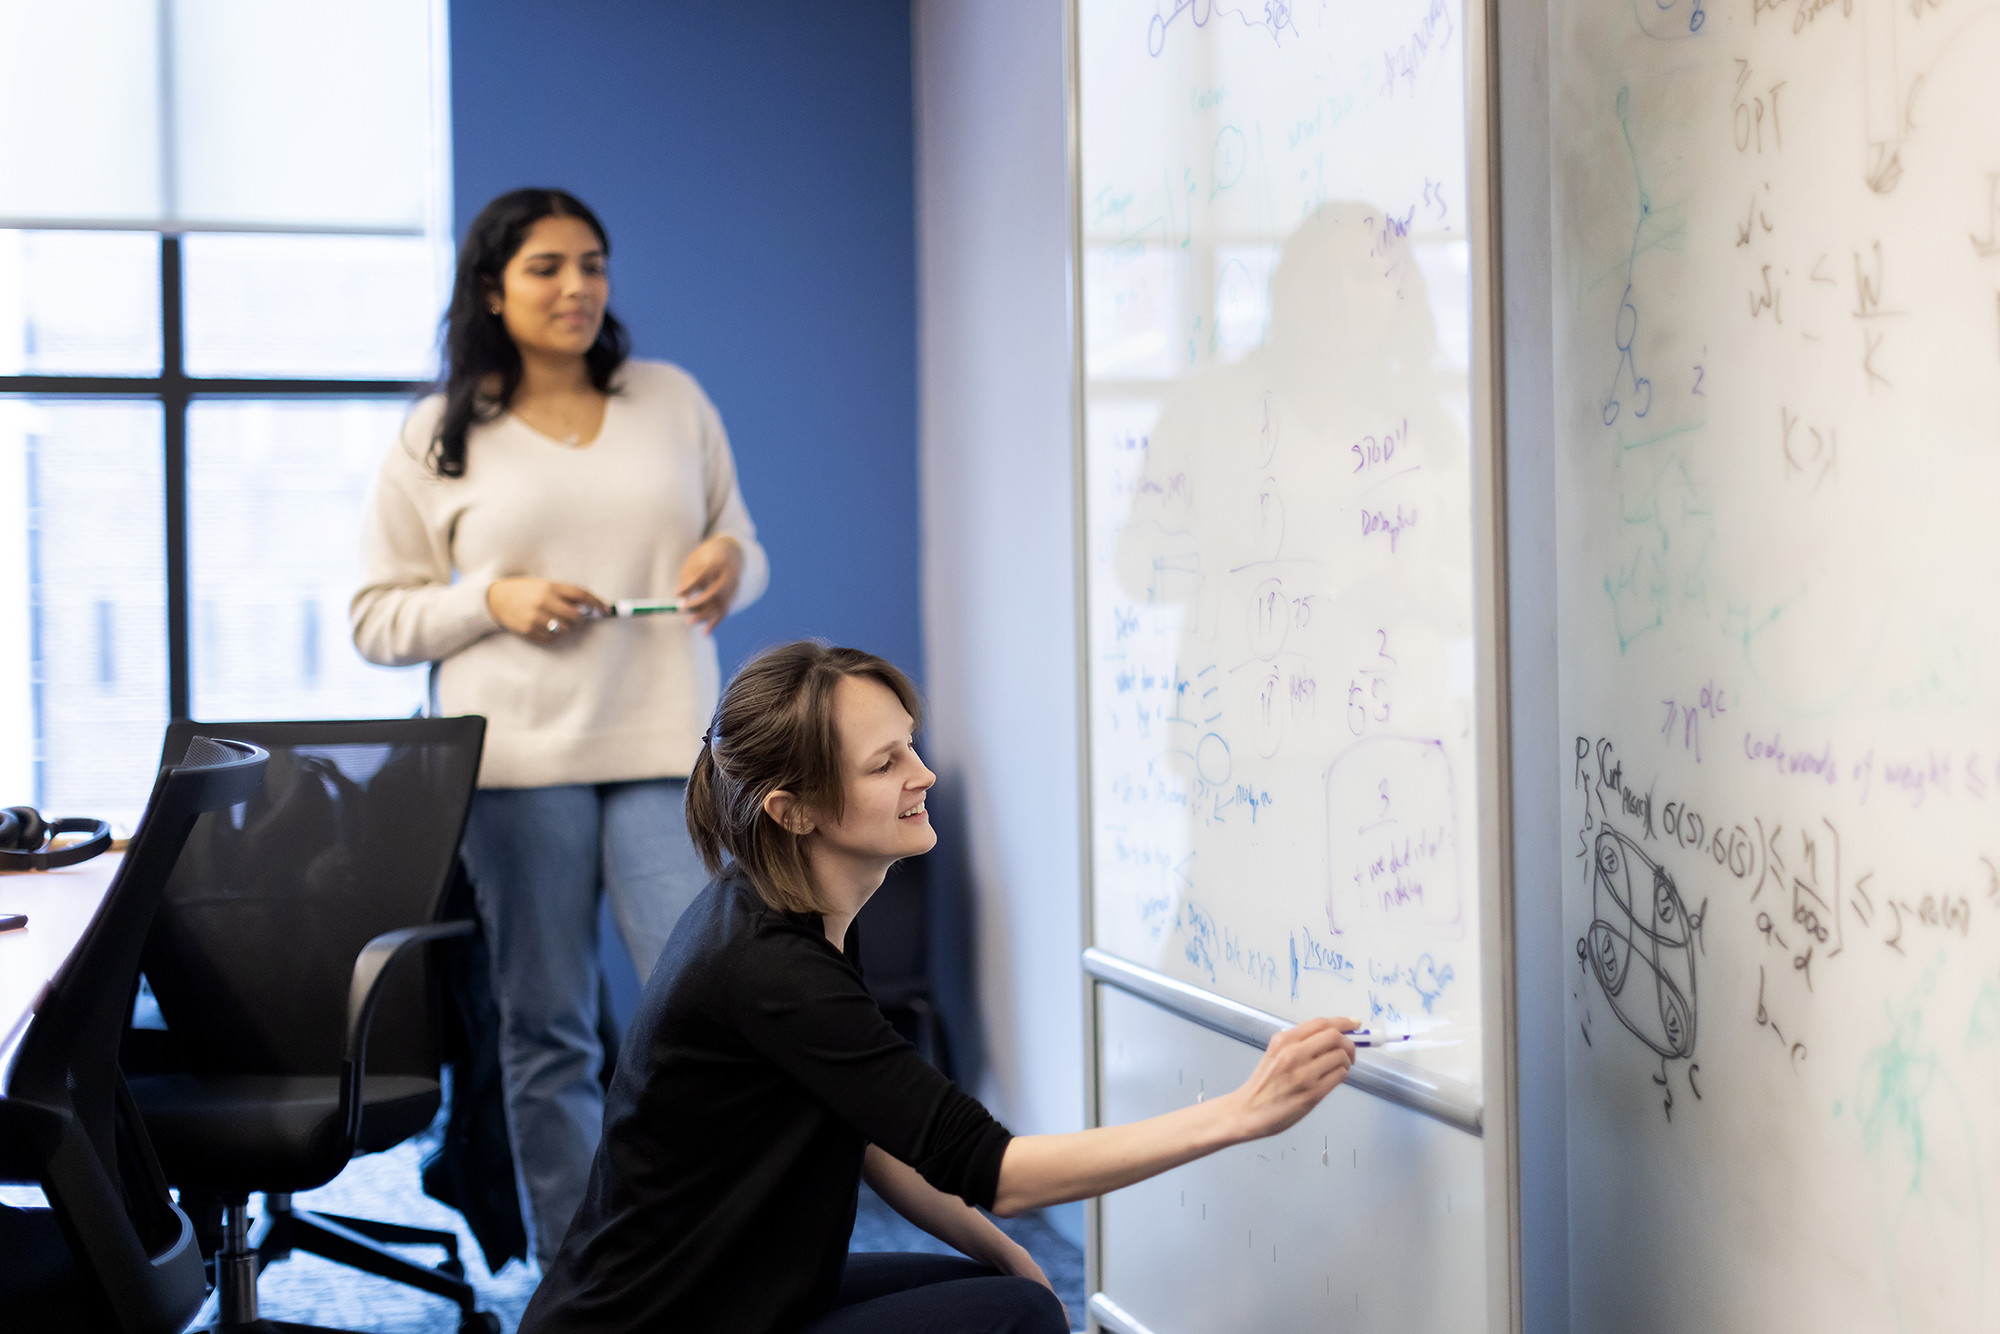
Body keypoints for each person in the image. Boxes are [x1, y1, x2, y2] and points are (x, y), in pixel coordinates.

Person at [518, 642, 1359, 1334]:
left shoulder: (793, 910)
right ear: (793, 810)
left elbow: (872, 1129)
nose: (922, 774)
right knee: (1014, 1322)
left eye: (911, 745)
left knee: (1008, 1291)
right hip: (657, 1324)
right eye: (885, 763)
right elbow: (1001, 1171)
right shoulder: (774, 969)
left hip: (722, 1289)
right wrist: (1242, 1113)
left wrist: (998, 1248)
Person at [351, 187, 770, 1266]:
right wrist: (489, 599)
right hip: (516, 766)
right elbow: (376, 618)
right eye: (546, 266)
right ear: (492, 287)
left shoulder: (671, 400)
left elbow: (740, 542)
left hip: (664, 747)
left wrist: (729, 564)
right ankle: (576, 1271)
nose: (577, 286)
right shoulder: (438, 433)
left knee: (705, 1012)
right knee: (547, 1029)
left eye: (592, 263)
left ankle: (702, 1247)